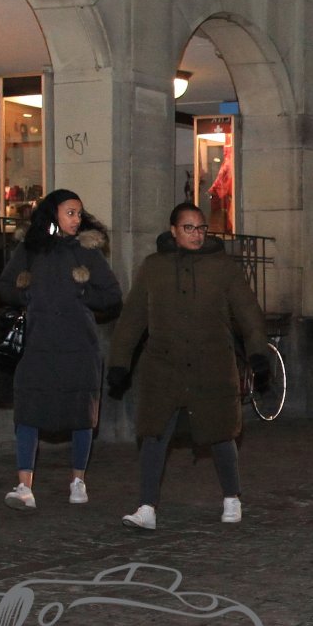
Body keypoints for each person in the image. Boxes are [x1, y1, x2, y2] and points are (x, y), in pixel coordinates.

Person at [107, 203, 272, 529]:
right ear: (173, 231)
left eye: (201, 228)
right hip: (163, 367)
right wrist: (119, 361)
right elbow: (133, 317)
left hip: (212, 364)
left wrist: (258, 353)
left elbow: (248, 312)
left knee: (220, 432)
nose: (196, 234)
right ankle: (146, 507)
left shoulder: (222, 267)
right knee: (154, 433)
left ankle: (232, 497)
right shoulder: (153, 267)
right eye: (188, 228)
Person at [0, 189, 123, 511]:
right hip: (38, 344)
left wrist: (82, 294)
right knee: (28, 411)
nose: (76, 219)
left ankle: (78, 481)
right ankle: (24, 486)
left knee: (81, 413)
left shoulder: (86, 251)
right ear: (53, 214)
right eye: (70, 213)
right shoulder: (30, 249)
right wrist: (28, 296)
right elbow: (6, 286)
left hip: (79, 345)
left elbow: (112, 295)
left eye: (79, 213)